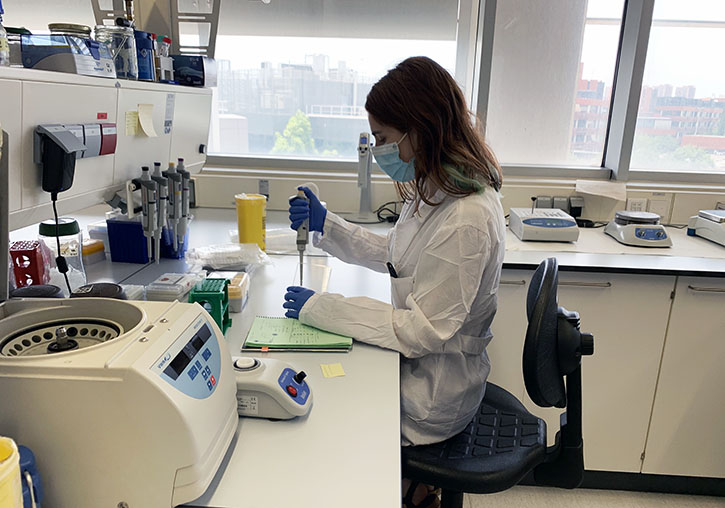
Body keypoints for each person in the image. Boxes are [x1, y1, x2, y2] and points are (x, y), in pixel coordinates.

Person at [285, 56, 506, 507]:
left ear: (420, 128)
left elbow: (422, 330)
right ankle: (414, 489)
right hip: (423, 368)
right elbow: (397, 256)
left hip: (434, 394)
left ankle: (413, 491)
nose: (379, 150)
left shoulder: (465, 218)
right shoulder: (438, 189)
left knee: (330, 412)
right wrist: (328, 225)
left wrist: (323, 309)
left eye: (384, 139)